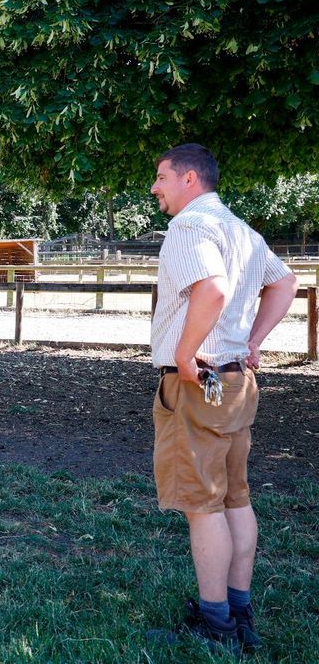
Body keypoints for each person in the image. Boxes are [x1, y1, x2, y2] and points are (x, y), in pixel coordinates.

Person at [145, 144, 297, 654]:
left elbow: (210, 290)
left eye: (161, 176)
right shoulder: (240, 230)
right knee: (235, 496)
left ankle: (216, 625)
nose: (155, 187)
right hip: (235, 382)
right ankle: (239, 611)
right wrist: (253, 341)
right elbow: (285, 282)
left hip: (198, 382)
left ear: (189, 179)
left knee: (202, 504)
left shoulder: (190, 226)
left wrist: (185, 353)